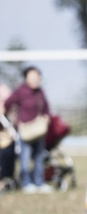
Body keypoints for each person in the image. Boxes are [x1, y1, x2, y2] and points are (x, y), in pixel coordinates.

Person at [4, 66, 52, 194]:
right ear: (26, 78)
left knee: (38, 158)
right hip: (25, 130)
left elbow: (46, 106)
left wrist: (47, 116)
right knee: (24, 158)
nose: (35, 79)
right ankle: (26, 183)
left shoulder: (40, 91)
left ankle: (39, 182)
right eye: (32, 77)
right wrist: (12, 117)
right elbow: (8, 103)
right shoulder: (20, 91)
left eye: (37, 77)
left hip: (39, 129)